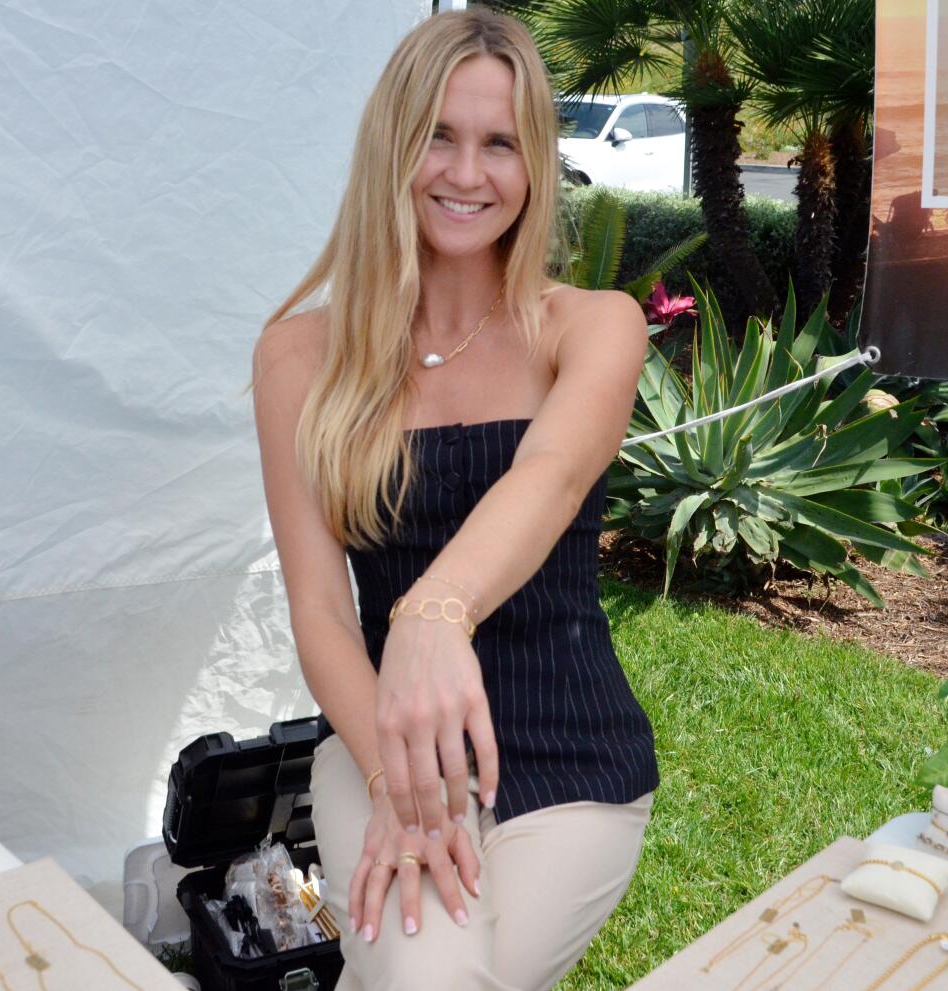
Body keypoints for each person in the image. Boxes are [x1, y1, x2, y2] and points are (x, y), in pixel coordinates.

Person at [250, 9, 659, 990]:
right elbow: (317, 610)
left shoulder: (593, 326)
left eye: (499, 144)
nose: (466, 173)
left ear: (534, 166)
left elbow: (549, 475)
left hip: (569, 751)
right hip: (380, 741)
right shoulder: (297, 356)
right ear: (393, 143)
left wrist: (435, 612)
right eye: (438, 135)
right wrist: (400, 781)